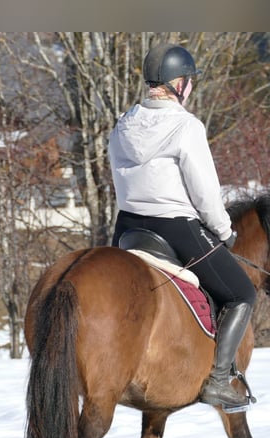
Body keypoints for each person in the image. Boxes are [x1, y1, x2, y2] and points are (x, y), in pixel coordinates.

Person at [108, 43, 256, 411]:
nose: (191, 87)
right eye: (189, 82)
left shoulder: (123, 122)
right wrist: (223, 231)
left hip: (126, 227)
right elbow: (205, 192)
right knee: (241, 294)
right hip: (174, 226)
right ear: (178, 84)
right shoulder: (186, 126)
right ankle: (220, 381)